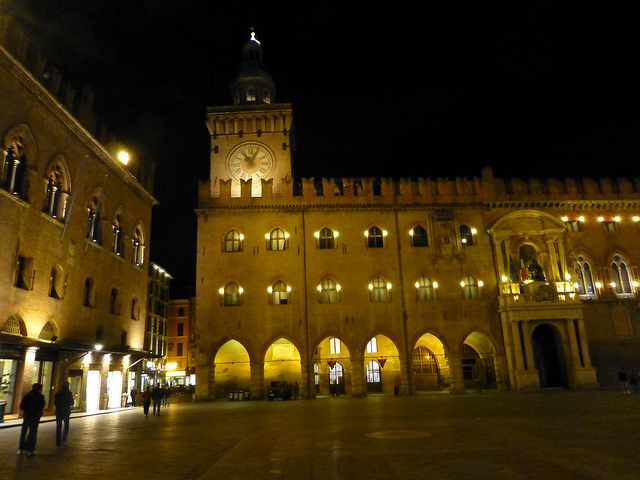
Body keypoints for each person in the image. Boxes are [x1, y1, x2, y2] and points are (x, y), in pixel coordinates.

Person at [18, 383, 45, 456]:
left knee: (24, 432)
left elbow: (22, 406)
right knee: (32, 433)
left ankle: (21, 448)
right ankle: (30, 449)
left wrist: (27, 410)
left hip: (27, 416)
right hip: (35, 417)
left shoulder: (27, 396)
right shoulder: (40, 397)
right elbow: (42, 405)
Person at [54, 381, 74, 447]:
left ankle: (58, 442)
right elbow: (72, 402)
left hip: (59, 412)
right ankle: (64, 440)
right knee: (66, 426)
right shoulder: (69, 394)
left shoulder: (58, 393)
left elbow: (55, 402)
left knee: (58, 427)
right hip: (66, 412)